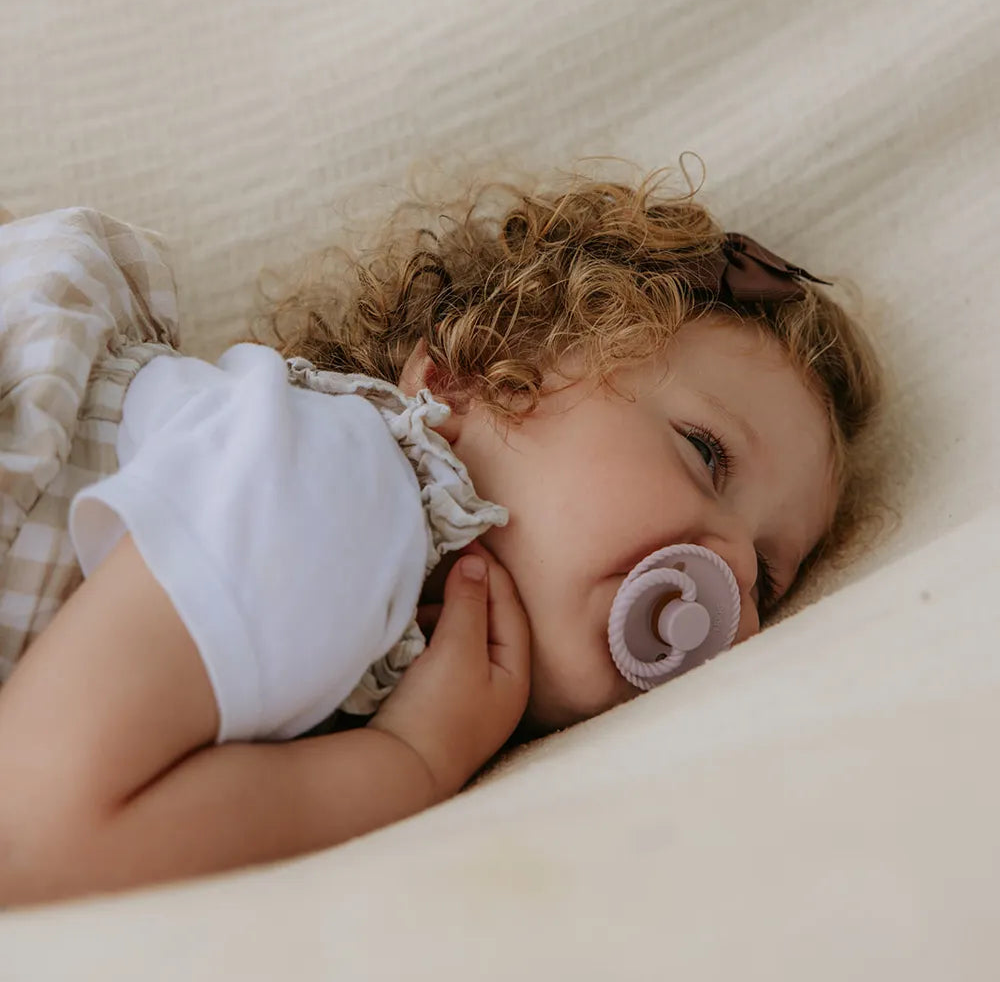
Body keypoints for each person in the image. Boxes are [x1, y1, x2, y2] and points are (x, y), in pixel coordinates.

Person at [0, 163, 883, 905]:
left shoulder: (372, 628)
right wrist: (408, 761)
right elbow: (30, 829)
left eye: (769, 578)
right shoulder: (338, 490)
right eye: (704, 451)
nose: (729, 573)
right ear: (466, 380)